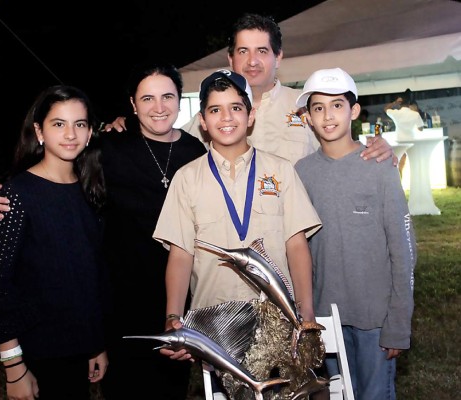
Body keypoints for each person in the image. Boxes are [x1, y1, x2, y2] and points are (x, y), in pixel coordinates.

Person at [0, 63, 207, 400]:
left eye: (167, 97)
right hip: (116, 303)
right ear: (132, 104)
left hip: (174, 297)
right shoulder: (109, 148)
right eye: (147, 98)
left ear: (180, 99)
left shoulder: (197, 152)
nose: (158, 107)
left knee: (170, 388)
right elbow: (42, 183)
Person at [152, 70, 323, 397]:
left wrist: (307, 314)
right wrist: (173, 316)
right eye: (215, 110)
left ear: (251, 115)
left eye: (235, 107)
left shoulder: (280, 170)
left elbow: (296, 244)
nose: (226, 117)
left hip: (278, 320)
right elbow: (180, 255)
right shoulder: (187, 179)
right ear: (202, 120)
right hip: (215, 324)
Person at [105, 13, 394, 165]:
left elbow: (342, 152)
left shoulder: (307, 105)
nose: (252, 61)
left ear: (278, 56)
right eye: (242, 51)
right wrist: (128, 126)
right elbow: (166, 140)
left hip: (296, 242)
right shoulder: (209, 115)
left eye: (262, 51)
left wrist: (381, 149)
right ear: (230, 59)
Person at [0, 85, 112, 400]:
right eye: (58, 124)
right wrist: (14, 367)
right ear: (39, 131)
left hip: (79, 347)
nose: (70, 134)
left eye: (79, 124)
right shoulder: (16, 195)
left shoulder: (91, 191)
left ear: (90, 132)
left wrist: (95, 345)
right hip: (39, 352)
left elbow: (88, 280)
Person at [294, 68, 416, 399]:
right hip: (325, 316)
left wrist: (398, 322)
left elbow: (403, 250)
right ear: (307, 117)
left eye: (337, 105)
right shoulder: (301, 174)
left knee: (375, 394)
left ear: (354, 111)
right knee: (339, 394)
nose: (327, 115)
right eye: (317, 108)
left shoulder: (379, 166)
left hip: (375, 318)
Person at [384, 93, 425, 176]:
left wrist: (394, 102)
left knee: (400, 165)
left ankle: (400, 181)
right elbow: (421, 129)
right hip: (412, 141)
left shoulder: (396, 113)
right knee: (414, 164)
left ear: (400, 103)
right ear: (409, 103)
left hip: (400, 141)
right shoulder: (415, 114)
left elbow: (386, 108)